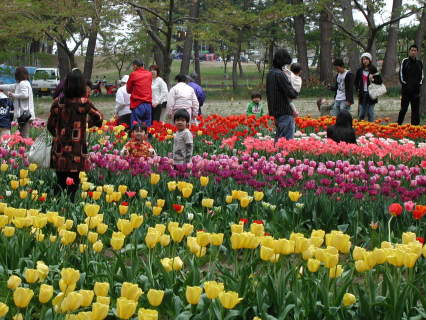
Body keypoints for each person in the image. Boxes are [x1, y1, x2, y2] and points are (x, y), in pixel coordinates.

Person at [47, 71, 103, 200]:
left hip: (59, 150)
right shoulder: (84, 102)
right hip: (77, 150)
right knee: (73, 183)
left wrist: (57, 135)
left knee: (60, 182)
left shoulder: (57, 102)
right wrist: (88, 124)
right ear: (81, 85)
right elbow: (98, 117)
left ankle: (56, 210)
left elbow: (50, 125)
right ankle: (70, 209)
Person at [266, 48, 298, 141]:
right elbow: (291, 93)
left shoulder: (270, 73)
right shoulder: (280, 74)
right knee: (285, 141)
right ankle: (282, 155)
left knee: (279, 138)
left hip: (275, 111)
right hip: (284, 110)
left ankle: (277, 155)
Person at [0, 67, 35, 138]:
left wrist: (13, 95)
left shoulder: (22, 83)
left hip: (25, 115)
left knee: (24, 137)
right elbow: (9, 86)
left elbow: (25, 95)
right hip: (25, 115)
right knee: (22, 136)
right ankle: (25, 148)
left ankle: (27, 149)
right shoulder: (22, 83)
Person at [398, 44, 424, 125]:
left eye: (415, 50)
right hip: (406, 92)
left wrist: (418, 85)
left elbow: (422, 76)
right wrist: (406, 86)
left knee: (415, 111)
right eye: (412, 50)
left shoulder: (420, 63)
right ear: (409, 51)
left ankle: (415, 128)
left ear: (417, 52)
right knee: (403, 109)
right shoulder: (405, 61)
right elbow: (401, 75)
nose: (413, 52)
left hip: (416, 92)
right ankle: (398, 126)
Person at [354, 52, 383, 122]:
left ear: (370, 60)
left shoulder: (373, 69)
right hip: (362, 93)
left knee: (370, 112)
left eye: (366, 59)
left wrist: (372, 79)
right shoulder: (359, 70)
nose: (365, 61)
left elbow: (380, 81)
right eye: (363, 59)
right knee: (361, 113)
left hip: (371, 93)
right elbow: (355, 82)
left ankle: (371, 128)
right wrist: (357, 89)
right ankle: (360, 127)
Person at [126, 59, 153, 128]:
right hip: (148, 104)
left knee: (136, 125)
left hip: (137, 103)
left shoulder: (133, 74)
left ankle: (136, 138)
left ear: (135, 66)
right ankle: (146, 138)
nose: (132, 68)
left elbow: (128, 90)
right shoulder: (149, 74)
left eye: (133, 66)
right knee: (147, 125)